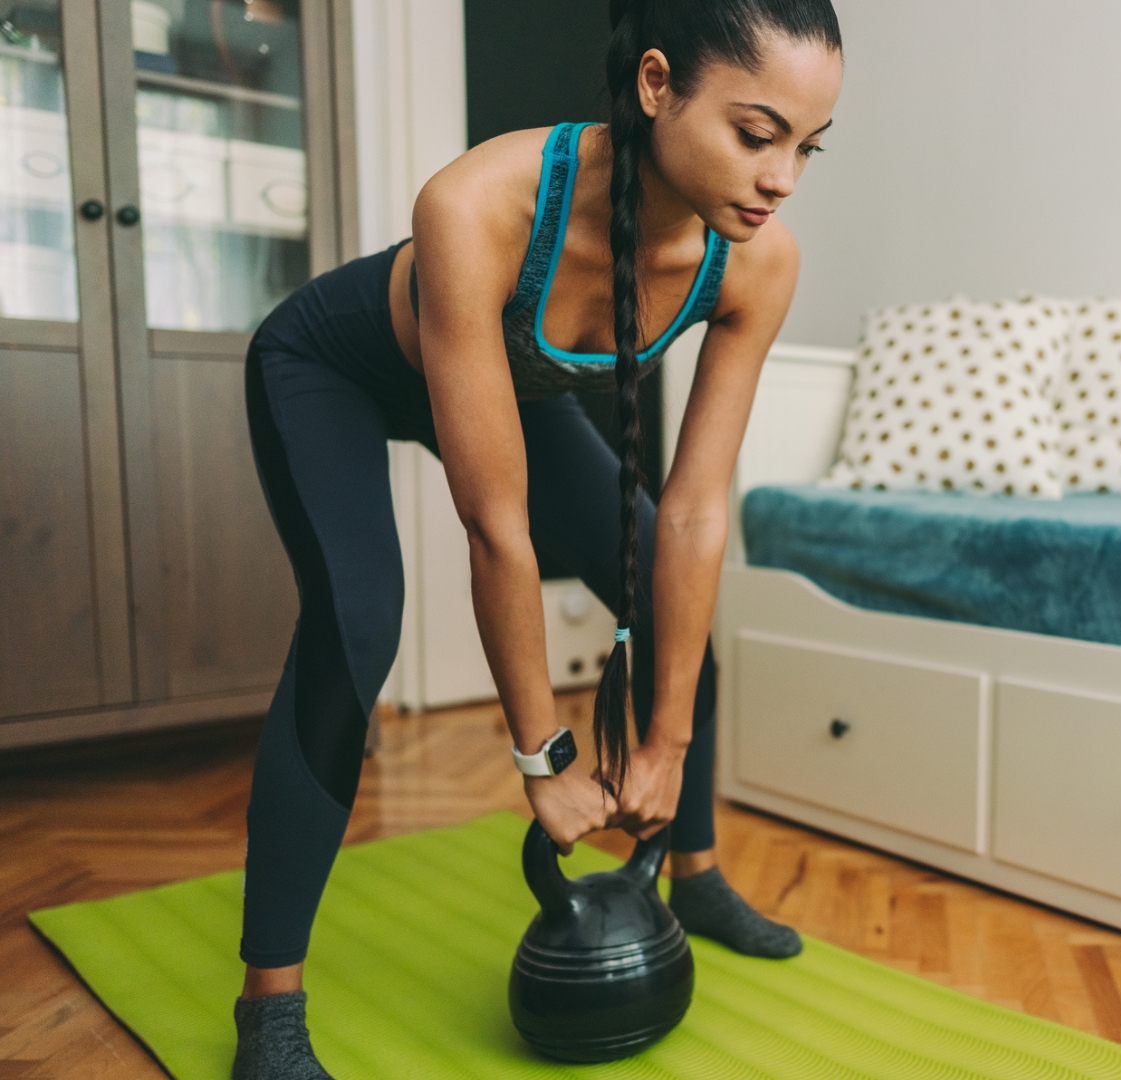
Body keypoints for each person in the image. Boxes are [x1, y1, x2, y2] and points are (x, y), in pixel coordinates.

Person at [228, 1, 842, 1075]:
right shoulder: (478, 204)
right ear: (657, 85)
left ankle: (689, 873)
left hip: (518, 390)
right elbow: (494, 523)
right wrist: (542, 758)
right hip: (334, 367)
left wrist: (666, 744)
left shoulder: (756, 263)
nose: (783, 176)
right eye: (757, 134)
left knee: (672, 589)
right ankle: (269, 1007)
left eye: (807, 146)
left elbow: (696, 515)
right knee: (358, 623)